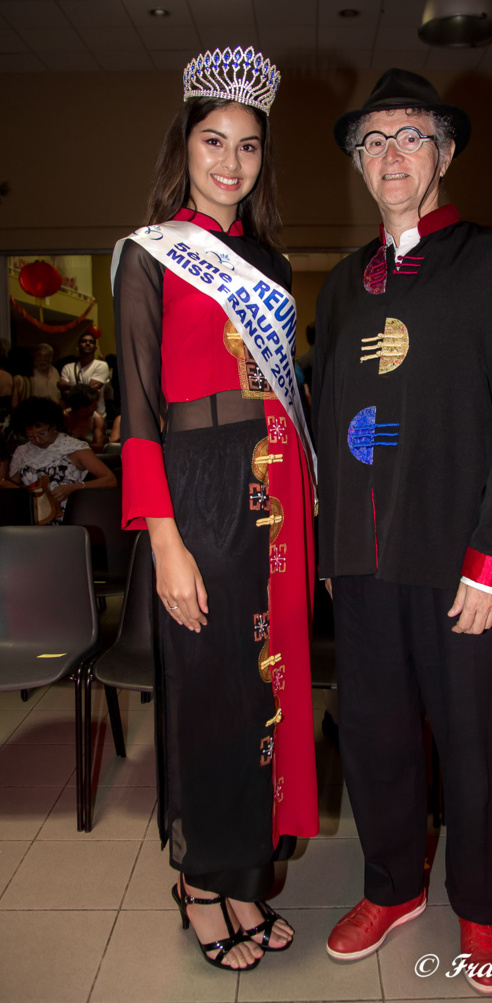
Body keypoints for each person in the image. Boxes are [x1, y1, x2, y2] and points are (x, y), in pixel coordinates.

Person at [311, 69, 492, 995]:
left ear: (445, 153)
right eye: (372, 142)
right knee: (373, 734)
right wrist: (333, 554)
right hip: (365, 567)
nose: (390, 156)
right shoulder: (340, 287)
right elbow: (331, 425)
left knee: (470, 736)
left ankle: (481, 909)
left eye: (410, 136)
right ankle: (390, 886)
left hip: (464, 567)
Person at [112, 45, 317, 973]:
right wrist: (165, 542)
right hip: (191, 491)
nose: (230, 162)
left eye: (247, 146)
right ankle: (198, 879)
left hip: (269, 481)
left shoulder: (268, 257)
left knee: (259, 692)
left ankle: (245, 872)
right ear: (184, 147)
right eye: (212, 141)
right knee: (204, 695)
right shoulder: (149, 256)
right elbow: (139, 415)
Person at [1, 397, 117, 520]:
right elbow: (12, 488)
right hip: (33, 516)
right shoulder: (22, 451)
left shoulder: (75, 448)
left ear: (54, 426)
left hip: (70, 515)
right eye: (31, 436)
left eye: (43, 433)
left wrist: (74, 487)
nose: (38, 439)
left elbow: (110, 480)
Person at [58, 329, 110, 417]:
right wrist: (85, 389)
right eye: (84, 341)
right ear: (77, 347)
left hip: (95, 416)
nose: (88, 343)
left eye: (91, 342)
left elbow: (91, 393)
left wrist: (70, 387)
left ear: (95, 348)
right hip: (74, 416)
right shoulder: (68, 367)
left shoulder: (101, 365)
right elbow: (65, 394)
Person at [64, 384, 106, 452]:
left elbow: (99, 447)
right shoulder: (64, 417)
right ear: (82, 407)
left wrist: (75, 444)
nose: (96, 408)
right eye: (93, 406)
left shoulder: (96, 419)